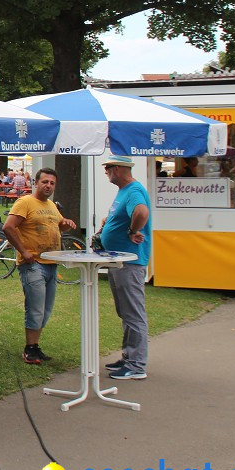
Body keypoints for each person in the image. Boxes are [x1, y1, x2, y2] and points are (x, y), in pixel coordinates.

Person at [2, 168, 77, 365]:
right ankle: (29, 349)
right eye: (45, 182)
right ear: (36, 183)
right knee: (35, 308)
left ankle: (35, 346)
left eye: (52, 183)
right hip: (33, 264)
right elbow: (8, 227)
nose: (48, 186)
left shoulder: (52, 205)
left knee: (46, 309)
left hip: (51, 263)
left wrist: (65, 224)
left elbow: (57, 226)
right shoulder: (25, 202)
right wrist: (24, 252)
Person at [97, 155, 151, 381]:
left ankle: (136, 365)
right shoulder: (125, 191)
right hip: (119, 261)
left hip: (130, 262)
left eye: (108, 168)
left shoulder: (134, 190)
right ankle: (129, 356)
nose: (106, 171)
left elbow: (141, 212)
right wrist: (108, 224)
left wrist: (131, 231)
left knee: (133, 313)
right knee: (125, 311)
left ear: (118, 169)